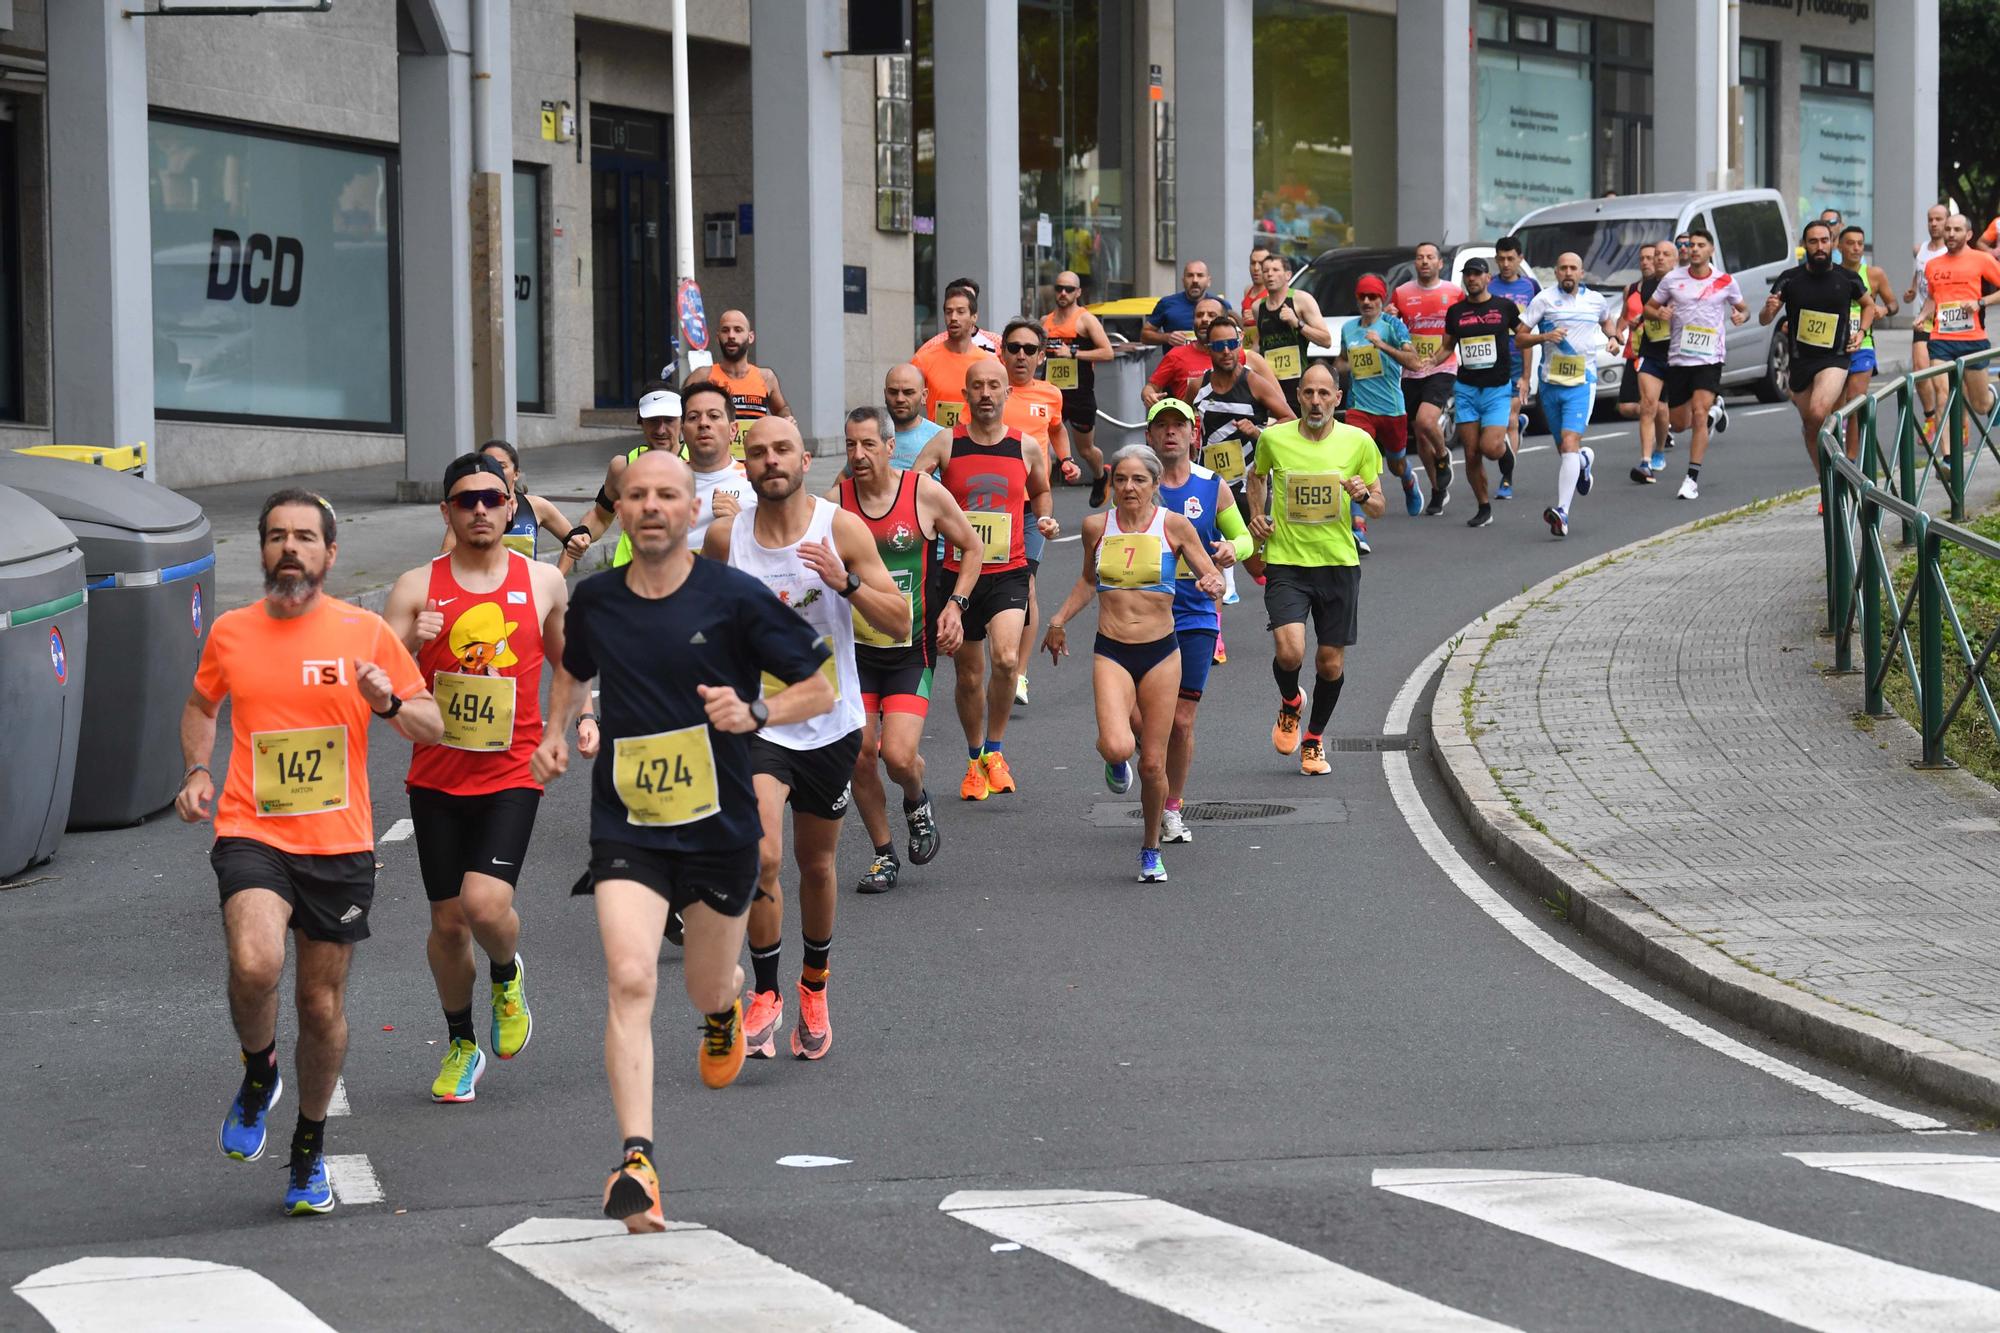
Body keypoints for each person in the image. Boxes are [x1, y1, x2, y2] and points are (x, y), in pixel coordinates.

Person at [532, 449, 834, 1233]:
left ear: (690, 506)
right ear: (621, 509)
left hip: (720, 826)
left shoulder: (734, 597)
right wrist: (557, 729)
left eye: (669, 493)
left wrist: (758, 713)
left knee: (703, 985)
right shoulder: (594, 599)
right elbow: (573, 667)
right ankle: (638, 1158)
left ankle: (725, 1006)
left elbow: (820, 685)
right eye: (638, 495)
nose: (653, 506)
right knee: (630, 975)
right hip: (627, 822)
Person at [178, 489, 441, 1216]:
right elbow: (203, 706)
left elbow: (433, 722)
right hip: (252, 831)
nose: (288, 548)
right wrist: (199, 769)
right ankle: (260, 1070)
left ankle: (308, 1145)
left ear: (330, 553)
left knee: (320, 1003)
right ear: (260, 550)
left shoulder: (364, 632)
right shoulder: (231, 632)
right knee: (255, 962)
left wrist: (387, 700)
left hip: (340, 844)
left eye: (303, 537)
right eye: (275, 536)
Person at [703, 418, 905, 1064]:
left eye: (781, 449)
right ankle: (765, 992)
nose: (770, 461)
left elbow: (899, 618)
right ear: (748, 464)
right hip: (758, 724)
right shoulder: (724, 538)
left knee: (816, 864)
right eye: (757, 452)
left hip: (830, 724)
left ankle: (813, 984)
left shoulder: (838, 529)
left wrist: (844, 581)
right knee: (762, 857)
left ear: (804, 457)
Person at [385, 454, 568, 1102]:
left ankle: (506, 970)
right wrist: (411, 641)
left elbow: (572, 663)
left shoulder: (543, 581)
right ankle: (462, 1042)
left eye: (493, 497)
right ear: (447, 512)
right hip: (436, 773)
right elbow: (379, 685)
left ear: (512, 505)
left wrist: (559, 730)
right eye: (467, 500)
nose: (481, 509)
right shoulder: (414, 586)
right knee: (447, 923)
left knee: (484, 904)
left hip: (511, 770)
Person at [1042, 444, 1224, 883]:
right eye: (1120, 479)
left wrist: (1213, 577)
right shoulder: (1094, 527)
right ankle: (1113, 758)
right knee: (1119, 746)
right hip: (1113, 650)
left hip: (1162, 652)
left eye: (1139, 479)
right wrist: (1059, 618)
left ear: (1155, 485)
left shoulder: (1174, 525)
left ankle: (1149, 849)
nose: (1128, 487)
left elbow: (1206, 570)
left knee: (1152, 765)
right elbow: (1089, 580)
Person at [833, 407, 980, 893]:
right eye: (851, 445)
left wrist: (955, 606)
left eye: (868, 445)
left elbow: (972, 548)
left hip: (908, 648)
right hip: (854, 651)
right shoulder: (837, 501)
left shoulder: (923, 493)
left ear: (891, 446)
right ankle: (883, 855)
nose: (859, 455)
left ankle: (916, 799)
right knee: (859, 757)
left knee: (897, 757)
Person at [910, 357, 1061, 801]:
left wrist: (1047, 519)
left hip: (1010, 571)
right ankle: (975, 757)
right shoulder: (946, 443)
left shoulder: (1025, 446)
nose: (987, 394)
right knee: (969, 676)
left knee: (1008, 658)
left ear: (1007, 392)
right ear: (967, 393)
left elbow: (1041, 492)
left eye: (994, 385)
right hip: (958, 576)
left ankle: (995, 750)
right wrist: (929, 519)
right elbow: (914, 488)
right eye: (978, 386)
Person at [1246, 363, 1383, 775]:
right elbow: (1257, 477)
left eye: (1324, 393)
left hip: (1338, 564)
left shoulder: (1358, 442)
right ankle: (1291, 702)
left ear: (1338, 399)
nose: (1316, 401)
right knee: (1290, 651)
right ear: (1298, 397)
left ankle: (1314, 738)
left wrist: (1364, 495)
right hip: (1288, 562)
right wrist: (1256, 513)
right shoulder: (1274, 438)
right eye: (1308, 393)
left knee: (1330, 664)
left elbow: (1378, 505)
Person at [1148, 398, 1252, 844]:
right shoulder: (1139, 484)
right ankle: (1137, 759)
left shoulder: (1213, 486)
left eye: (1179, 426)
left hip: (1195, 614)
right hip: (1143, 615)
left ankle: (1172, 808)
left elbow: (1243, 537)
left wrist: (1233, 550)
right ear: (1150, 436)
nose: (1171, 432)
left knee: (1182, 721)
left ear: (1195, 435)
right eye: (1162, 426)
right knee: (1140, 722)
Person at [1425, 257, 1565, 529]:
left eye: (1477, 274)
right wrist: (1432, 360)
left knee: (1490, 448)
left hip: (1497, 389)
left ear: (1488, 278)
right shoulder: (1456, 312)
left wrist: (1531, 362)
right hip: (1466, 389)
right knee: (1471, 452)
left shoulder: (1504, 308)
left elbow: (1522, 338)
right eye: (1468, 275)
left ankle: (1505, 452)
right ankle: (1484, 507)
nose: (1472, 279)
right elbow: (1447, 346)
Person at [1191, 312, 1293, 598]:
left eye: (1232, 344)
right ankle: (1216, 614)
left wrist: (1259, 429)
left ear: (1240, 345)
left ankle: (1279, 589)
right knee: (1200, 551)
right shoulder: (1197, 386)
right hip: (1208, 482)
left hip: (1249, 483)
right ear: (1208, 348)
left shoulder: (1254, 383)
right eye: (1219, 345)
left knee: (1256, 564)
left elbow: (1289, 419)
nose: (1226, 351)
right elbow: (1181, 419)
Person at [999, 318, 1071, 708]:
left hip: (1032, 507)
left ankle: (1019, 673)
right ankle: (994, 663)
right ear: (1002, 352)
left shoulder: (1050, 394)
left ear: (1042, 356)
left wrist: (1067, 458)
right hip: (991, 509)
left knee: (1024, 584)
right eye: (1014, 348)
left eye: (1030, 349)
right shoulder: (990, 392)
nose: (1021, 355)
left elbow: (1057, 429)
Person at [1761, 220, 1872, 474]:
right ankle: (1828, 481)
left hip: (1835, 358)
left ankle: (1841, 471)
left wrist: (1861, 332)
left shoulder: (1847, 278)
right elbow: (1765, 318)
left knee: (1819, 411)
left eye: (1824, 241)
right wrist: (1767, 312)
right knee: (1812, 425)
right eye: (1813, 242)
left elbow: (1868, 305)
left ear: (1832, 243)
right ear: (1804, 246)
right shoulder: (1790, 279)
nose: (1820, 247)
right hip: (1800, 361)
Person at [1644, 227, 1747, 500]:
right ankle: (1717, 412)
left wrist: (1740, 316)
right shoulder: (1672, 279)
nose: (1696, 249)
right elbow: (1648, 308)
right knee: (1679, 424)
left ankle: (1691, 479)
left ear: (1711, 250)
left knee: (1699, 414)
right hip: (1678, 358)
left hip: (1710, 357)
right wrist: (1660, 312)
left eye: (1701, 245)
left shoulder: (1724, 280)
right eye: (1692, 245)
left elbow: (1743, 308)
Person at [1523, 252, 1621, 537]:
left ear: (1581, 273)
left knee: (1568, 443)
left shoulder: (1596, 300)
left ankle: (1562, 513)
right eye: (1563, 268)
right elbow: (1519, 336)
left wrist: (1613, 338)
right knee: (1566, 450)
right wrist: (1543, 337)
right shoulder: (1543, 300)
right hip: (1550, 385)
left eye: (1573, 268)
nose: (1568, 273)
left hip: (1582, 382)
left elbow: (1607, 321)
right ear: (1556, 272)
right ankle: (1584, 461)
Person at [1339, 274, 1428, 526]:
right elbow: (1342, 360)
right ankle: (1358, 525)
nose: (1367, 301)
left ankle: (1409, 480)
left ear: (1382, 298)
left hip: (1390, 407)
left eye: (1373, 297)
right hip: (1359, 407)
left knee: (1395, 464)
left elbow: (1414, 362)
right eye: (1362, 297)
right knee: (1355, 462)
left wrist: (1382, 346)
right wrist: (1332, 369)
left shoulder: (1392, 326)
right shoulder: (1349, 328)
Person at [568, 383, 683, 567]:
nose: (661, 430)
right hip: (629, 575)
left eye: (669, 420)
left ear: (682, 421)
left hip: (683, 578)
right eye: (653, 420)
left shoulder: (699, 465)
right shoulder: (622, 466)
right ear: (640, 421)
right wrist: (584, 532)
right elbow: (600, 516)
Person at [1391, 242, 1463, 514]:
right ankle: (1437, 488)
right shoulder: (1402, 292)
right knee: (1419, 436)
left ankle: (1443, 455)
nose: (1424, 262)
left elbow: (1461, 325)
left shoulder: (1453, 292)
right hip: (1412, 369)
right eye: (1420, 257)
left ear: (1439, 263)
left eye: (1430, 257)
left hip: (1443, 366)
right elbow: (1394, 323)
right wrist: (1391, 316)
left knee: (1425, 420)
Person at [1913, 214, 2000, 436]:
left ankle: (1991, 398)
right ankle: (1949, 459)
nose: (1951, 234)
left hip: (1973, 340)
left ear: (1969, 235)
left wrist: (1981, 302)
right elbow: (1934, 297)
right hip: (1941, 339)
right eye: (1948, 229)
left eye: (1957, 230)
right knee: (1942, 395)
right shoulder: (1933, 265)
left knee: (1979, 405)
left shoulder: (1982, 259)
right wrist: (1923, 315)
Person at [443, 439, 592, 565]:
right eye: (488, 466)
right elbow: (445, 559)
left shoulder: (537, 506)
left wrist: (558, 575)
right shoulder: (468, 510)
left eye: (501, 466)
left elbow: (573, 542)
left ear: (516, 474)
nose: (495, 471)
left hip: (524, 595)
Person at [1042, 269, 1114, 504]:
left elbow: (1107, 352)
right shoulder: (1046, 321)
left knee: (1085, 450)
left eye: (1069, 289)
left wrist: (1073, 352)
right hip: (1052, 394)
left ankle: (1100, 475)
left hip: (1080, 394)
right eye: (1059, 288)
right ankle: (1040, 496)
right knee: (1044, 446)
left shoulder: (1085, 319)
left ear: (1078, 292)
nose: (1063, 293)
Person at [1142, 295, 1275, 408]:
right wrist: (1149, 396)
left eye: (1211, 315)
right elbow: (1150, 388)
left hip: (1234, 432)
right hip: (1191, 431)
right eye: (1199, 315)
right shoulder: (1176, 355)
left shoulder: (1239, 355)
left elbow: (1277, 400)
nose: (1204, 319)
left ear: (1224, 320)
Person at [1837, 225, 1900, 462]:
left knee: (1856, 400)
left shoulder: (1874, 275)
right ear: (1839, 246)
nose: (1856, 248)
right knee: (1834, 406)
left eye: (1860, 244)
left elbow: (1894, 304)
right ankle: (1835, 454)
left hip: (1863, 345)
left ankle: (1851, 459)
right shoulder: (1831, 274)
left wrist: (1884, 309)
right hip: (1835, 349)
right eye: (1850, 243)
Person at [1488, 235, 1543, 496]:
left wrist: (1526, 376)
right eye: (1501, 259)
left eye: (1511, 258)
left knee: (1509, 419)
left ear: (1520, 259)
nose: (1506, 263)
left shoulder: (1531, 287)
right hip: (1490, 363)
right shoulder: (1489, 285)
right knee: (1491, 424)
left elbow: (1535, 330)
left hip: (1517, 362)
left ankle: (1506, 477)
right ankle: (1518, 427)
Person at [1249, 251, 1333, 414]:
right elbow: (1259, 345)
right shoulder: (1257, 307)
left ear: (1288, 275)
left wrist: (1297, 323)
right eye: (1265, 271)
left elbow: (1326, 340)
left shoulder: (1301, 300)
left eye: (1275, 270)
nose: (1269, 275)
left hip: (1297, 382)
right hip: (1269, 382)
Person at [1619, 242, 1675, 481]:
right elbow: (1645, 310)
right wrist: (1637, 321)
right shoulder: (1646, 286)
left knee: (1671, 413)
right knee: (1648, 406)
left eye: (1663, 255)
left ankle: (1660, 449)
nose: (1656, 260)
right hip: (1650, 351)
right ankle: (1645, 462)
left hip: (1676, 353)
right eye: (1655, 256)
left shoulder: (1683, 283)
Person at [707, 309, 794, 457]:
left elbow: (781, 409)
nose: (731, 336)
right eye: (725, 330)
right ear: (717, 337)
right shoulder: (703, 376)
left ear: (751, 336)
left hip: (756, 463)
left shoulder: (766, 377)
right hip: (718, 465)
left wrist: (786, 420)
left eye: (738, 330)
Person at [911, 285, 992, 428]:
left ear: (974, 317)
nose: (953, 318)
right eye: (949, 312)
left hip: (977, 443)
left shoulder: (989, 363)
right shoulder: (923, 360)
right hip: (938, 443)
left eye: (960, 312)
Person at [1905, 204, 1951, 434]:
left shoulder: (1951, 252)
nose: (1934, 223)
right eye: (1930, 219)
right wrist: (1912, 290)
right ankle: (1930, 418)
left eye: (1939, 219)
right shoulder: (1919, 249)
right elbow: (1919, 272)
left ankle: (1959, 421)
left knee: (1945, 376)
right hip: (1924, 317)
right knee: (1920, 370)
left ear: (1948, 222)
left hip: (1947, 319)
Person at [884, 363, 944, 470]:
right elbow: (847, 475)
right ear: (885, 394)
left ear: (924, 396)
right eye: (893, 392)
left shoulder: (941, 438)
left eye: (908, 393)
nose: (900, 399)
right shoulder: (871, 435)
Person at [1143, 261, 1213, 348]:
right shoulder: (1166, 303)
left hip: (1209, 361)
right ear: (1183, 281)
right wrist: (1167, 337)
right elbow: (1145, 335)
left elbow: (1232, 336)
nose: (1195, 280)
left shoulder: (1220, 305)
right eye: (1190, 275)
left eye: (1200, 275)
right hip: (1176, 361)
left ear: (1208, 281)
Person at [1241, 243, 1273, 316]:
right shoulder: (1248, 289)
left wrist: (1257, 317)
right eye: (1253, 263)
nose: (1256, 268)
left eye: (1261, 263)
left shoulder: (1273, 293)